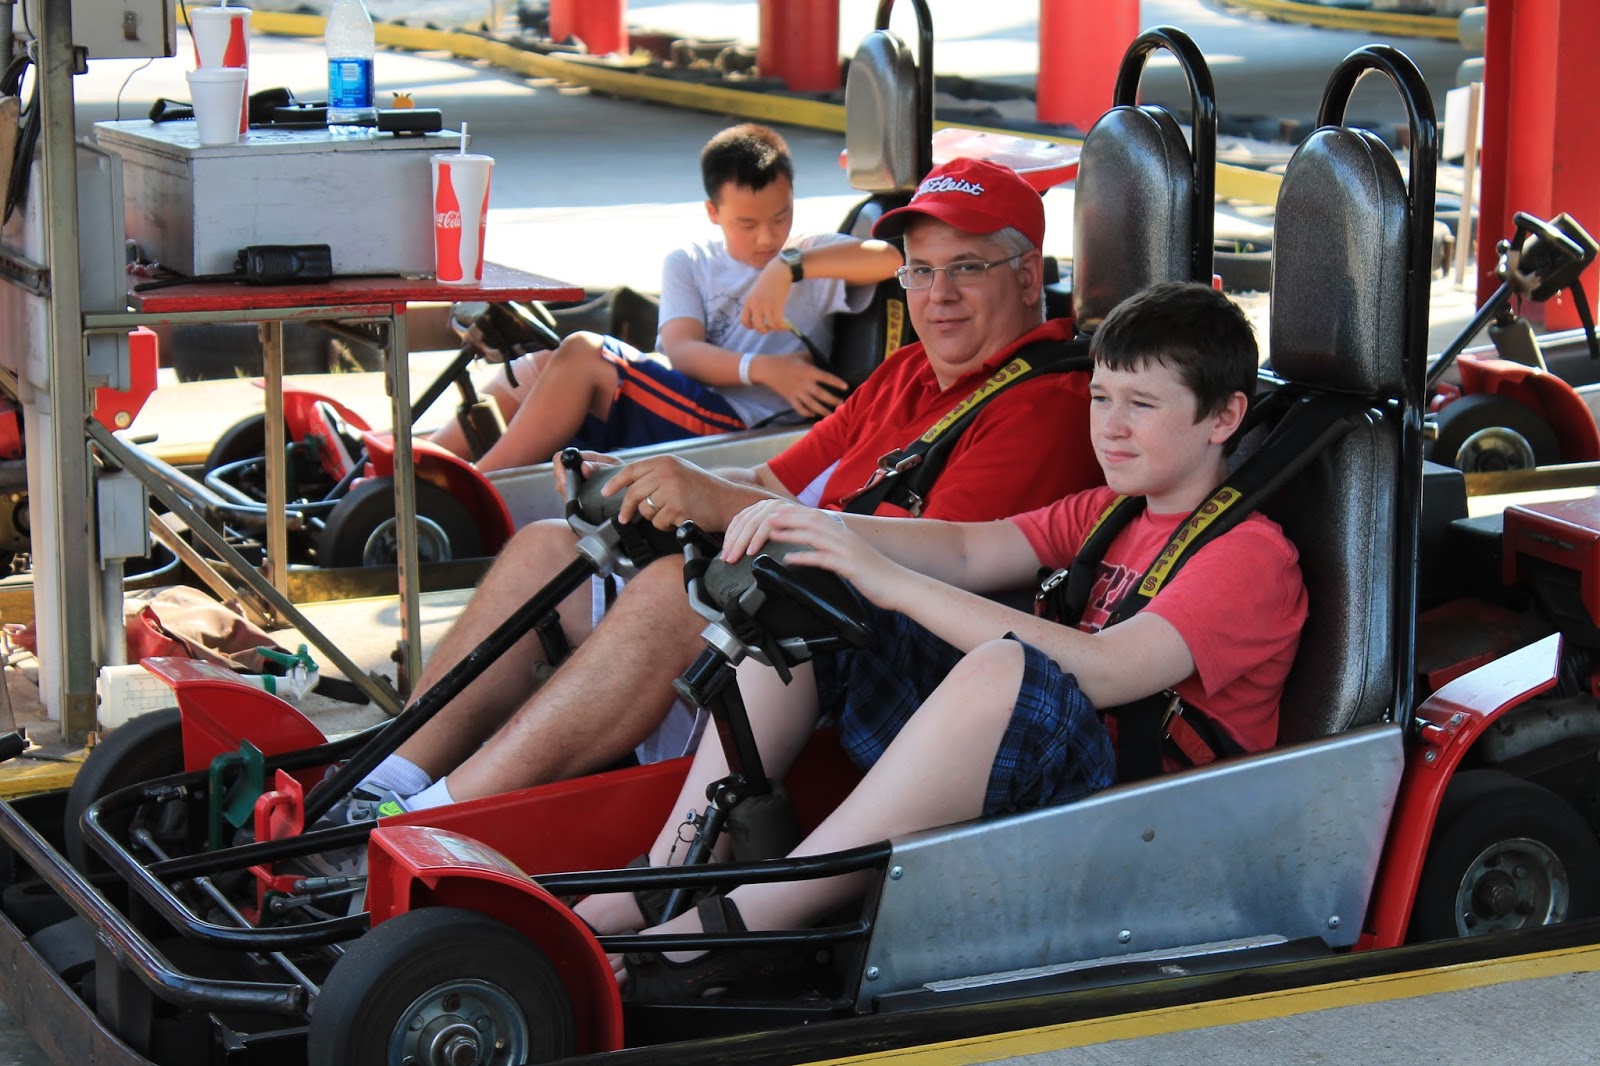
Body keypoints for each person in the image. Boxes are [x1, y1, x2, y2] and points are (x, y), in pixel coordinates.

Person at [581, 281, 1308, 997]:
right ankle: (670, 872)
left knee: (1004, 668)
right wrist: (822, 530)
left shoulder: (1250, 555)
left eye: (1141, 405)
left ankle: (749, 924)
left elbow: (1110, 669)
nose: (1110, 427)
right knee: (807, 589)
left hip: (1145, 830)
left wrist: (888, 580)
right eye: (1100, 398)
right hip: (1065, 786)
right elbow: (964, 550)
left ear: (1223, 417)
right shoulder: (1109, 511)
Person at [333, 156, 1104, 819]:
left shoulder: (1046, 405)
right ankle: (384, 778)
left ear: (1026, 275)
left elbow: (924, 566)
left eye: (966, 268)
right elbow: (769, 479)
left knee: (678, 591)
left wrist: (722, 504)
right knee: (547, 548)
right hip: (802, 608)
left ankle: (425, 821)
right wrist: (652, 483)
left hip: (882, 670)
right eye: (922, 271)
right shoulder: (909, 370)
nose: (938, 295)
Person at [429, 123, 903, 471]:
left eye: (780, 218)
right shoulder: (689, 262)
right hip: (695, 400)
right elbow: (682, 351)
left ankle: (480, 488)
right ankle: (424, 466)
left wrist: (788, 267)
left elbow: (890, 258)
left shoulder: (809, 255)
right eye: (747, 224)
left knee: (583, 355)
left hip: (745, 424)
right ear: (713, 212)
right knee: (538, 365)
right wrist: (763, 369)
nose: (766, 237)